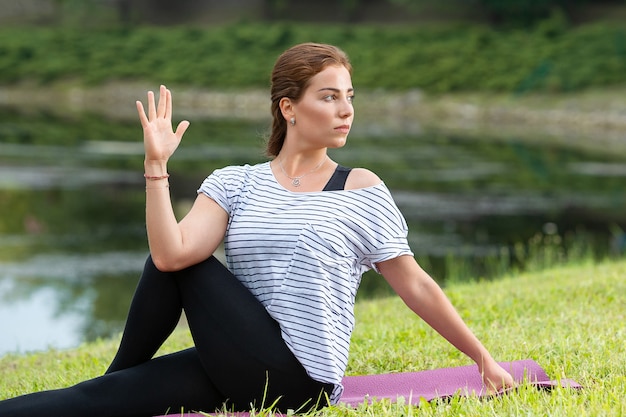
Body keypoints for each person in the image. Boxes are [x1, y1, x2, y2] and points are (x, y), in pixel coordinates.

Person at [0, 42, 515, 417]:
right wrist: (156, 169)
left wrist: (484, 362)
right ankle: (117, 381)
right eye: (329, 97)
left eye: (349, 97)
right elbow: (167, 256)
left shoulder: (359, 188)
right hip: (235, 358)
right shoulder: (236, 183)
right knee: (92, 400)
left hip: (300, 381)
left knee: (186, 262)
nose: (346, 110)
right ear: (289, 108)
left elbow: (417, 285)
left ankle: (121, 373)